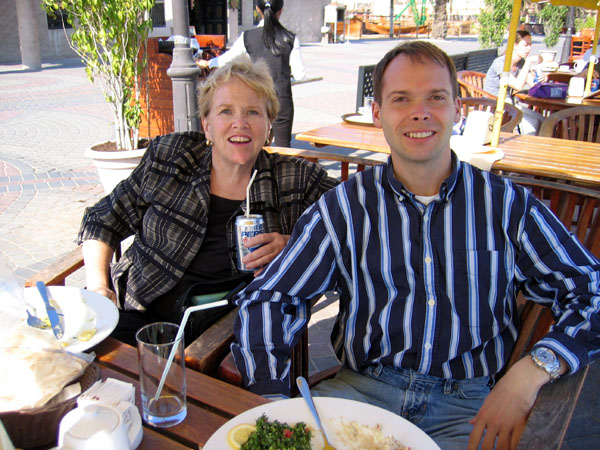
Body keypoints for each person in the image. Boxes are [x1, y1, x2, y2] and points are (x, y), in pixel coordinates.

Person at [231, 41, 600, 449]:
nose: (419, 112)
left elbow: (590, 289)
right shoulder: (346, 207)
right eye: (401, 98)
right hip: (361, 394)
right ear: (378, 114)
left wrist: (531, 371)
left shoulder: (505, 205)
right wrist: (270, 398)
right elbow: (270, 298)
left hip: (469, 407)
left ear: (458, 109)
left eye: (436, 98)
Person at [77, 55, 337, 347]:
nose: (240, 123)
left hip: (219, 339)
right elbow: (102, 219)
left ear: (269, 125)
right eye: (226, 111)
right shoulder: (171, 157)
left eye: (253, 112)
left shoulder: (295, 179)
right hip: (135, 316)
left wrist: (296, 245)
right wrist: (99, 287)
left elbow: (359, 225)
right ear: (207, 125)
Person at [198, 0, 306, 148]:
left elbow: (226, 59)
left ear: (257, 9)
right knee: (283, 148)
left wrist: (208, 63)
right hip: (282, 99)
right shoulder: (291, 38)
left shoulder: (247, 37)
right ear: (280, 11)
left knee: (255, 146)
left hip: (256, 100)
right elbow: (300, 74)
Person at [484, 30, 540, 96]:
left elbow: (533, 85)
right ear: (515, 45)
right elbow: (518, 86)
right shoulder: (500, 63)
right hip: (492, 101)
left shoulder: (521, 62)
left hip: (507, 100)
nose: (529, 48)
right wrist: (528, 62)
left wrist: (541, 74)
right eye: (526, 45)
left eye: (530, 45)